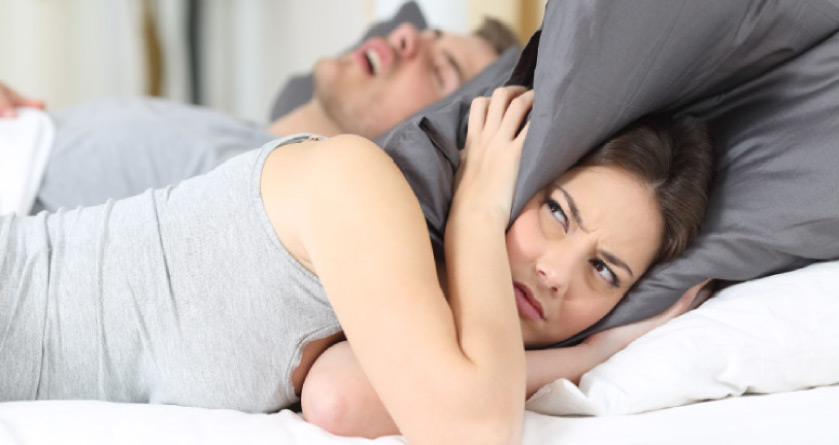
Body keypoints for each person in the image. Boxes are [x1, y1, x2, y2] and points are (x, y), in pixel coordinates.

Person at [0, 86, 714, 444]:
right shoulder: (357, 180)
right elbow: (473, 429)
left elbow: (340, 400)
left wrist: (595, 350)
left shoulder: (397, 328)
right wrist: (474, 209)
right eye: (556, 211)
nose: (557, 270)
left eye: (605, 272)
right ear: (512, 174)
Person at [0, 18, 516, 213]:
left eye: (443, 69)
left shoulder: (265, 199)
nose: (408, 36)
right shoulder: (231, 130)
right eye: (427, 35)